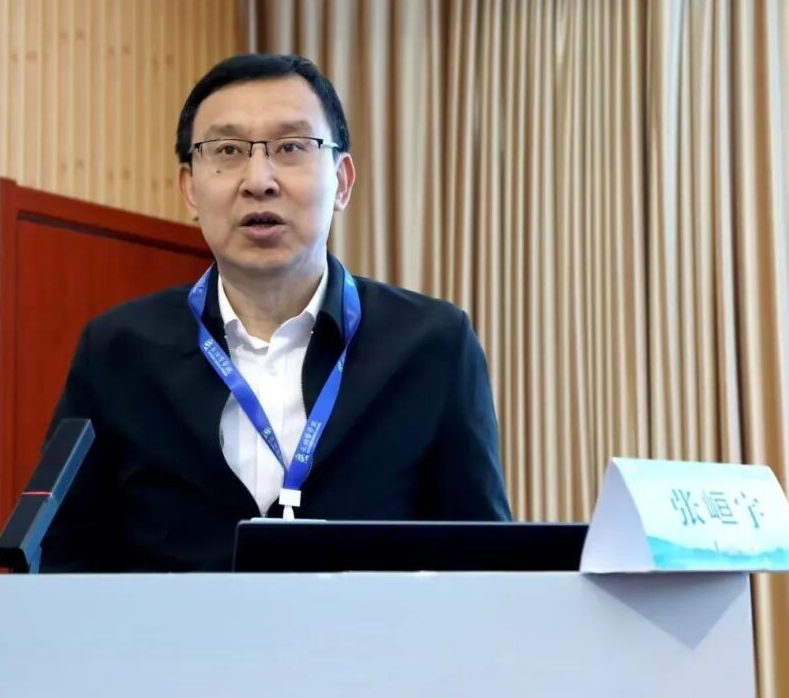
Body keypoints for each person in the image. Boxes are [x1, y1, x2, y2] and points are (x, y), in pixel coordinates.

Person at [40, 53, 511, 572]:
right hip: (172, 630)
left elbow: (486, 561)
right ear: (190, 189)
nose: (258, 180)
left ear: (342, 181)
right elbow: (62, 560)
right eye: (227, 150)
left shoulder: (433, 344)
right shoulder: (117, 351)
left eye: (291, 147)